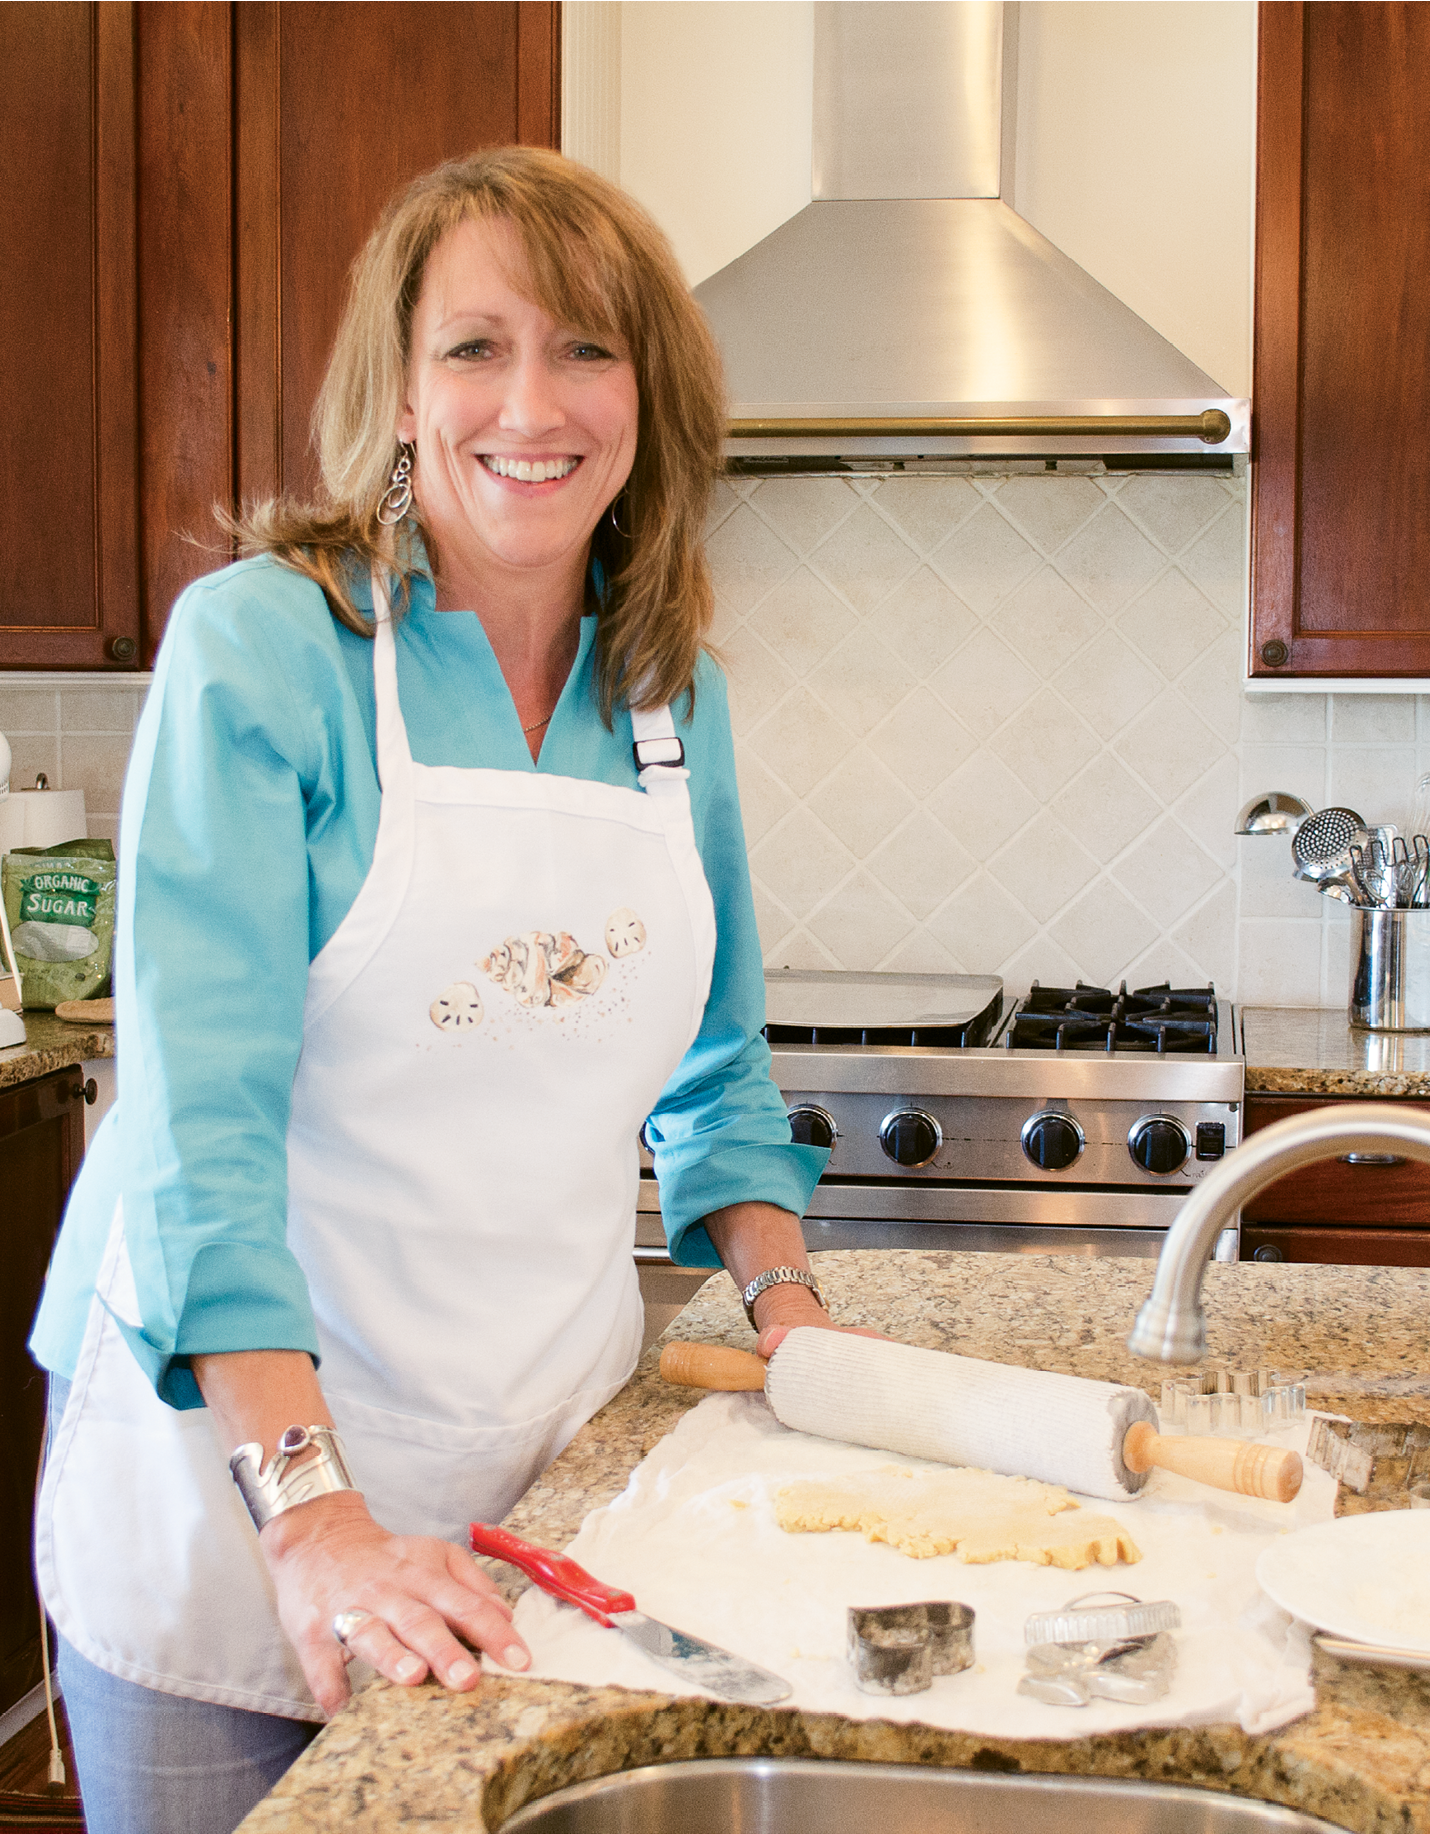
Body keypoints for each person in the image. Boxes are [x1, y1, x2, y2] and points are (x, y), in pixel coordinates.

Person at [30, 147, 847, 1834]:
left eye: (585, 349)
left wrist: (793, 1320)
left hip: (532, 1464)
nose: (527, 402)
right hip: (238, 1474)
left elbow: (717, 1072)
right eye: (473, 346)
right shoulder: (269, 650)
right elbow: (200, 1131)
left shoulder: (664, 685)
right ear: (396, 396)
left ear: (650, 401)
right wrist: (311, 1514)